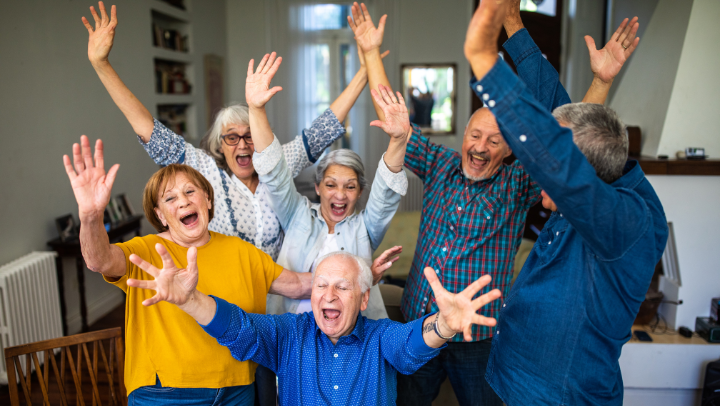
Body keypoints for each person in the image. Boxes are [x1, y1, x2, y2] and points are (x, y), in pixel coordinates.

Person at [348, 1, 641, 404]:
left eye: (495, 140)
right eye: (475, 136)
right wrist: (367, 51)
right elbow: (394, 117)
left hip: (478, 335)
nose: (480, 147)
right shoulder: (440, 165)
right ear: (463, 136)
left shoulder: (519, 183)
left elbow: (569, 144)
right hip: (422, 321)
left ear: (509, 151)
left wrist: (601, 81)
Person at [463, 1, 668, 405]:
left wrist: (486, 62)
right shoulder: (603, 166)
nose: (537, 175)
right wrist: (511, 21)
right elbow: (552, 109)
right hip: (510, 377)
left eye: (549, 167)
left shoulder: (631, 221)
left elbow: (559, 160)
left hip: (556, 396)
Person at [81, 2, 384, 261]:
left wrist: (364, 71)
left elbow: (325, 127)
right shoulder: (202, 169)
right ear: (219, 145)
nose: (243, 144)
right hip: (226, 296)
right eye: (232, 137)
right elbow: (148, 129)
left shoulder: (277, 162)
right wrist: (101, 64)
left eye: (250, 135)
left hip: (277, 294)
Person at [62, 136, 315, 405]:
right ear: (160, 216)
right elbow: (98, 261)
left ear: (207, 199)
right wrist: (90, 217)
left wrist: (360, 275)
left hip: (237, 387)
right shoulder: (147, 249)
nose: (183, 201)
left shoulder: (241, 250)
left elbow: (298, 285)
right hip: (166, 391)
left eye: (190, 191)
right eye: (170, 198)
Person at [124, 248, 503, 406]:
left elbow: (410, 345)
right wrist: (190, 301)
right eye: (321, 285)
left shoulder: (380, 336)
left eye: (342, 287)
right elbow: (239, 328)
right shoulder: (290, 334)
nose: (328, 295)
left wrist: (445, 325)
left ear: (363, 297)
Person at [243, 52, 410, 320]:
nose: (340, 195)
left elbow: (386, 192)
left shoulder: (365, 228)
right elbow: (274, 171)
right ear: (318, 187)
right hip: (294, 330)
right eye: (331, 184)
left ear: (360, 192)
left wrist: (399, 140)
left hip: (352, 335)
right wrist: (256, 109)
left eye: (351, 186)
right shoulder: (297, 214)